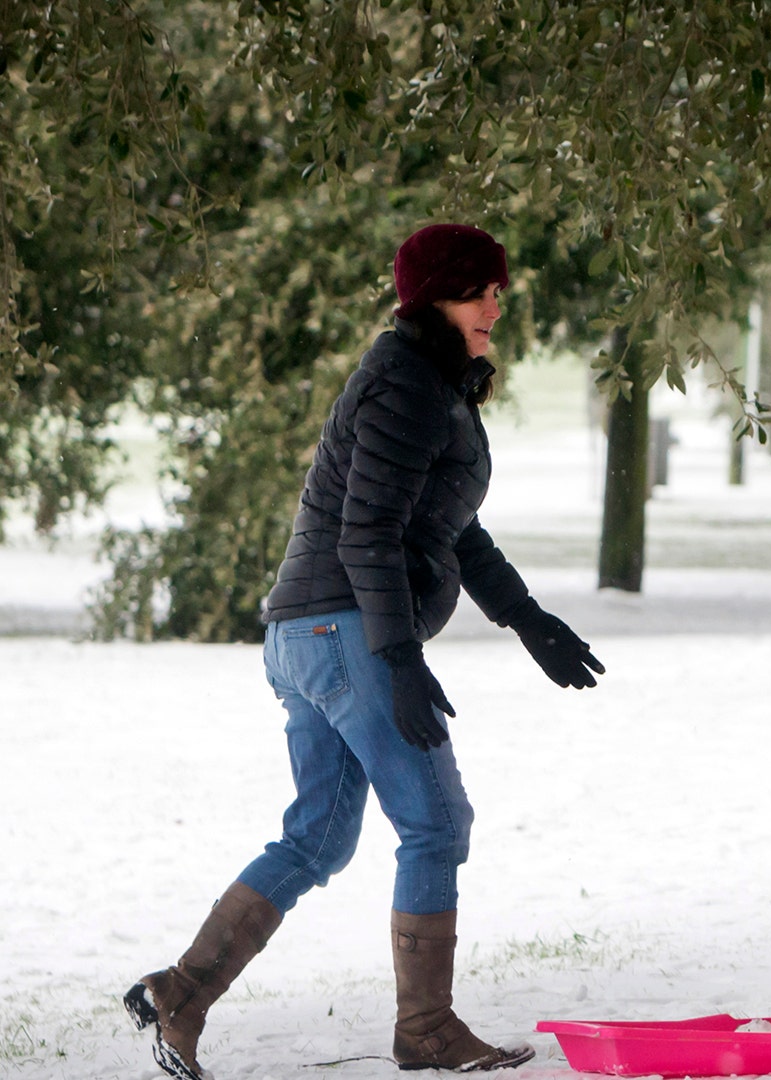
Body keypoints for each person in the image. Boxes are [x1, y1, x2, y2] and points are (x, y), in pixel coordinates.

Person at [125, 224, 607, 1077]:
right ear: (436, 299)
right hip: (343, 630)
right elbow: (369, 532)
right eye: (479, 290)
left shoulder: (428, 385)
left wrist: (526, 617)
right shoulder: (406, 387)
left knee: (319, 836)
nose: (498, 303)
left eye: (498, 289)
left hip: (308, 633)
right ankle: (425, 1029)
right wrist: (399, 659)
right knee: (436, 824)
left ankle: (180, 995)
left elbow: (445, 525)